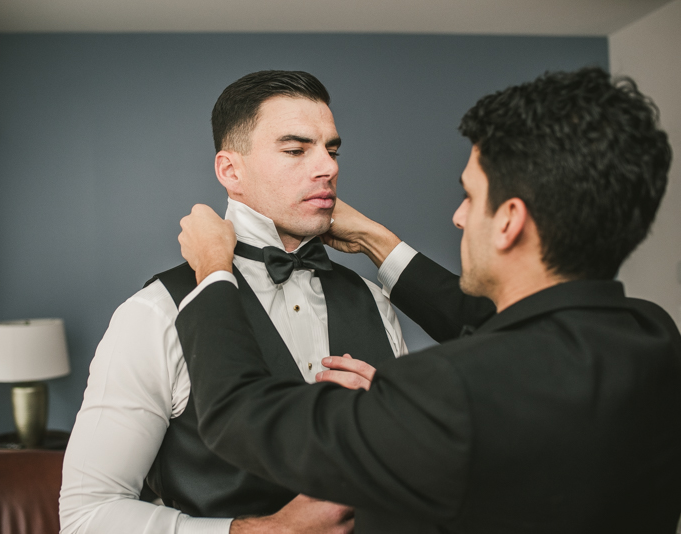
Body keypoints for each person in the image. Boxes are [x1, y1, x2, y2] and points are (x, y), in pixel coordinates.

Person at [173, 67, 681, 533]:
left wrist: (214, 272)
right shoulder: (653, 335)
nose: (458, 218)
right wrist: (378, 241)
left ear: (509, 220)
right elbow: (498, 327)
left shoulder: (446, 389)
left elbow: (242, 416)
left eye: (469, 197)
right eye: (296, 149)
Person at [59, 70, 408, 534]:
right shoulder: (156, 313)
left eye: (332, 149)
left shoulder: (374, 301)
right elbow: (87, 516)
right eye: (296, 149)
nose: (328, 167)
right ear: (230, 171)